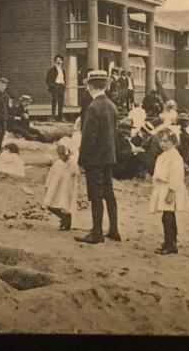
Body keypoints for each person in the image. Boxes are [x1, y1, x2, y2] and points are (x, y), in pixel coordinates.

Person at [74, 69, 120, 244]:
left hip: (94, 159)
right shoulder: (112, 106)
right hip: (109, 157)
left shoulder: (93, 107)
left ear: (89, 86)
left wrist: (81, 159)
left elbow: (88, 138)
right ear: (105, 86)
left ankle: (97, 232)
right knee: (109, 192)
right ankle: (114, 230)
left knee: (95, 194)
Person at [148, 128, 189, 255]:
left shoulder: (175, 156)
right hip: (163, 188)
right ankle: (171, 241)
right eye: (160, 141)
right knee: (167, 217)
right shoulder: (163, 155)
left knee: (168, 217)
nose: (162, 144)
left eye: (165, 141)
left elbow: (176, 175)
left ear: (173, 141)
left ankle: (170, 244)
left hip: (170, 189)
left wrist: (171, 192)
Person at [43, 137, 80, 231]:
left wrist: (69, 165)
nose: (61, 156)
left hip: (67, 189)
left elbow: (75, 173)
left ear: (68, 154)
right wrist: (47, 185)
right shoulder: (57, 164)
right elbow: (50, 175)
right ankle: (64, 219)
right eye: (59, 154)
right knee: (50, 204)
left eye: (63, 154)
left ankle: (66, 222)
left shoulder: (72, 164)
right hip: (55, 188)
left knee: (65, 205)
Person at [45, 54, 66, 122]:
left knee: (61, 102)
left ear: (62, 61)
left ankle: (60, 117)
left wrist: (64, 85)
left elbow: (64, 78)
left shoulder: (62, 70)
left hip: (61, 86)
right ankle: (53, 117)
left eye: (60, 60)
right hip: (55, 86)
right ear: (55, 61)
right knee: (54, 101)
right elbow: (48, 79)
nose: (58, 61)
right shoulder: (52, 69)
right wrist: (52, 86)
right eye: (57, 60)